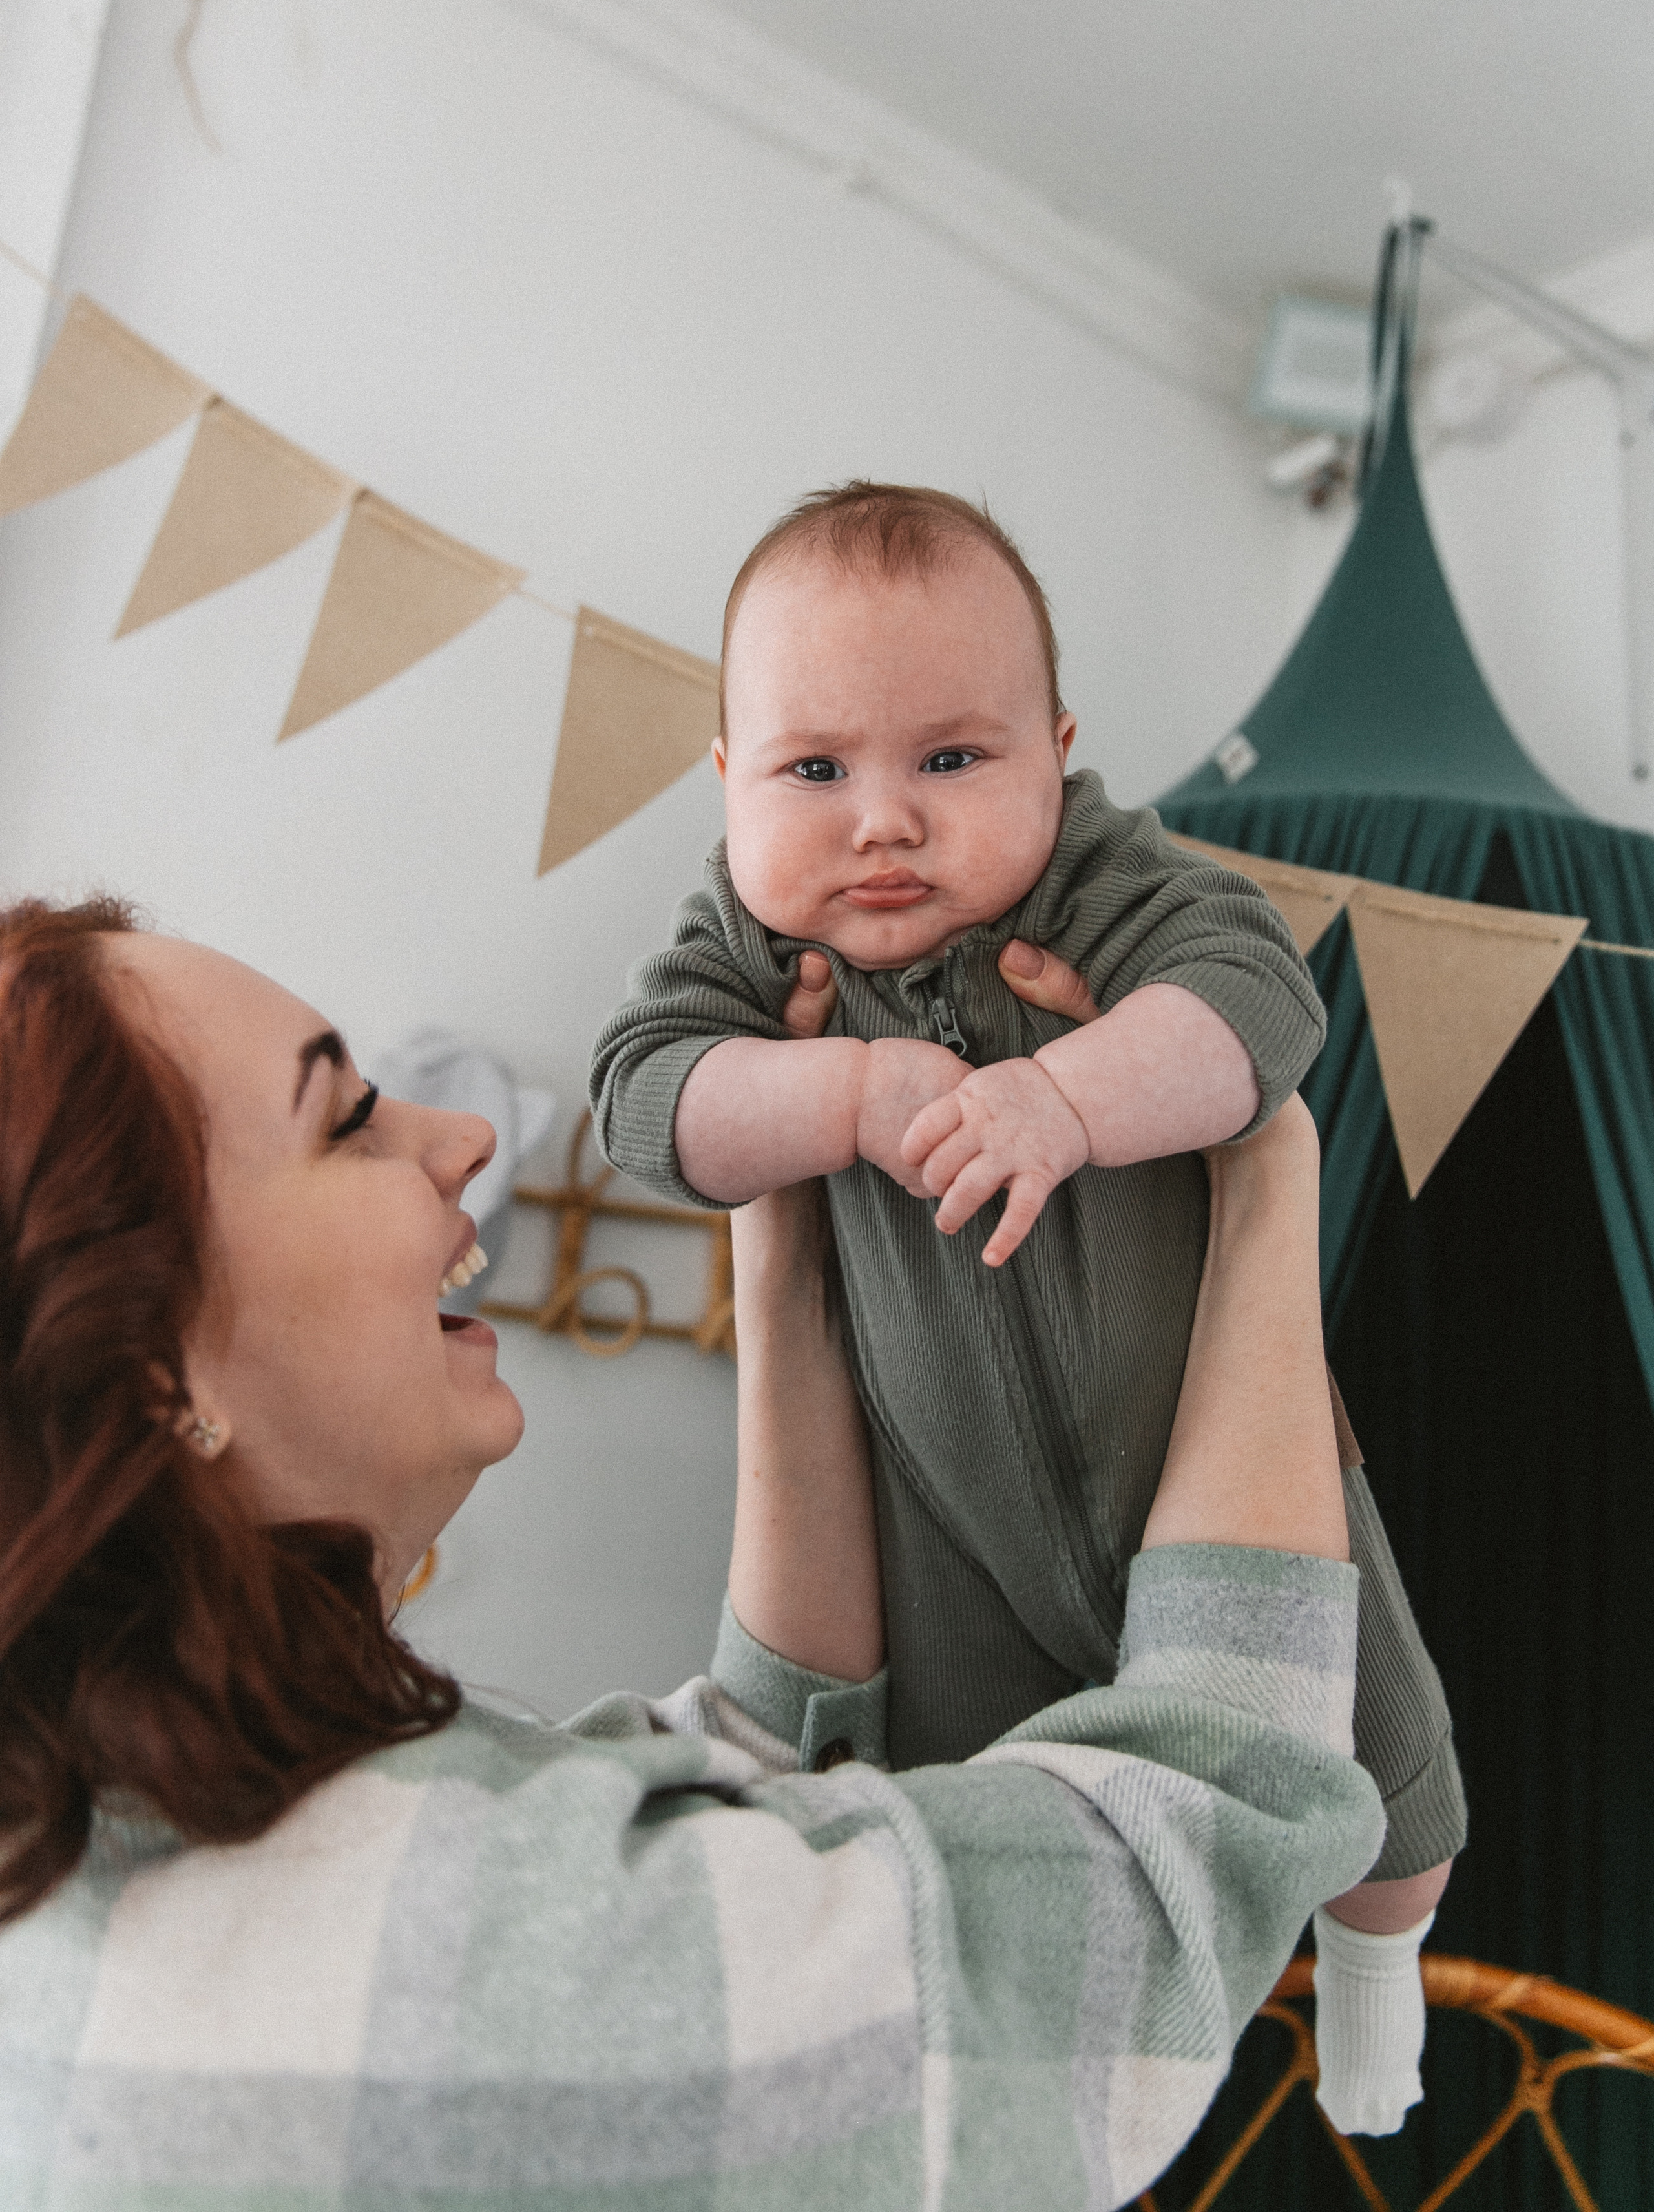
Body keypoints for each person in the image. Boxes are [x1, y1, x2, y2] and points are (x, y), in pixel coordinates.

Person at [0, 895, 1383, 2207]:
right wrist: (1260, 1169)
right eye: (347, 1120)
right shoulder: (464, 1986)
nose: (463, 1134)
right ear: (149, 1379)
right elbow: (1165, 1866)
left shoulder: (103, 1848)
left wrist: (781, 1223)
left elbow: (740, 1803)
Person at [589, 482, 1463, 2131]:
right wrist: (836, 1095)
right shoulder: (752, 955)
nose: (881, 821)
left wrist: (1066, 1099)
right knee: (992, 1834)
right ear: (727, 783)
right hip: (944, 1529)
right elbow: (645, 1105)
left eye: (949, 759)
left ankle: (1373, 1986)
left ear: (1054, 757)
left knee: (1383, 1787)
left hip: (1218, 1466)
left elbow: (1256, 1005)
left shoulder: (1094, 891)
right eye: (812, 770)